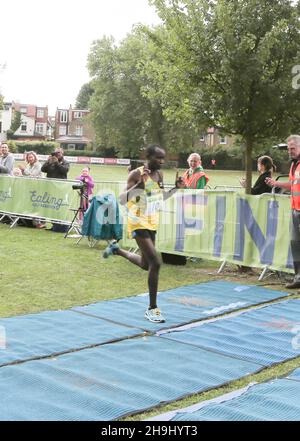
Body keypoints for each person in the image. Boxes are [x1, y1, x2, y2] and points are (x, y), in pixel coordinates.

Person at [102, 144, 184, 323]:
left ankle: (117, 250)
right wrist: (138, 186)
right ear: (148, 157)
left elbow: (159, 197)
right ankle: (152, 309)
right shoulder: (136, 174)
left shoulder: (159, 175)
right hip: (137, 221)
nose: (162, 162)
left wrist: (175, 188)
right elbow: (122, 199)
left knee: (147, 265)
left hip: (152, 221)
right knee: (156, 262)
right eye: (158, 158)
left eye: (163, 159)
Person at [266, 135, 300, 289]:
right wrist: (276, 183)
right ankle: (298, 277)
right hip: (295, 210)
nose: (290, 151)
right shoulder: (294, 165)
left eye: (292, 148)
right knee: (295, 243)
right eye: (288, 149)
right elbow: (293, 185)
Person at [41, 147, 70, 232]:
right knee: (51, 208)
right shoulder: (51, 161)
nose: (57, 154)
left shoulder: (65, 162)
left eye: (59, 153)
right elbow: (43, 169)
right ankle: (54, 225)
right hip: (50, 187)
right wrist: (47, 161)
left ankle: (60, 226)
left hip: (60, 188)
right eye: (56, 153)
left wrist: (57, 162)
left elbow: (64, 171)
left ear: (62, 153)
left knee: (59, 207)